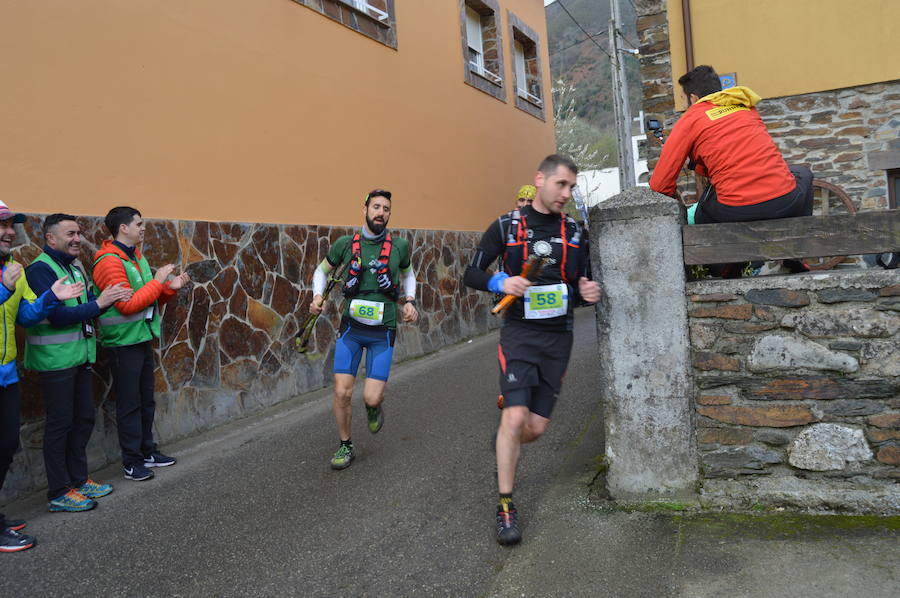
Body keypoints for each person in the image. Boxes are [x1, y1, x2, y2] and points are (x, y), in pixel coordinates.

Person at [463, 155, 601, 546]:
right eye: (561, 185)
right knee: (514, 416)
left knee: (534, 429)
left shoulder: (575, 231)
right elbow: (471, 272)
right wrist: (500, 283)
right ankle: (506, 506)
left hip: (559, 338)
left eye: (572, 187)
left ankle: (507, 444)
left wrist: (588, 293)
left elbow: (581, 283)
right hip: (520, 335)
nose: (567, 193)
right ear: (540, 180)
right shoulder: (507, 226)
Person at [649, 66, 813, 275]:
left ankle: (727, 269)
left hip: (737, 209)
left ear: (693, 98)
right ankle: (797, 253)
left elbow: (659, 185)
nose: (684, 105)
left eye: (683, 99)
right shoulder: (745, 106)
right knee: (804, 174)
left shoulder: (691, 118)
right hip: (785, 200)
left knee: (701, 212)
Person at [24, 214, 133, 513]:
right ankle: (59, 492)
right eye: (70, 233)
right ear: (51, 239)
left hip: (79, 357)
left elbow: (84, 308)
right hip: (55, 361)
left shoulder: (72, 267)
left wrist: (103, 300)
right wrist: (100, 303)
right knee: (60, 424)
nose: (77, 239)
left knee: (83, 418)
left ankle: (78, 480)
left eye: (78, 233)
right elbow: (57, 316)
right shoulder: (39, 271)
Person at [308, 189, 418, 470]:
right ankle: (345, 445)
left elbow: (408, 273)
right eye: (376, 207)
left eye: (386, 209)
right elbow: (321, 271)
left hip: (383, 330)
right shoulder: (345, 244)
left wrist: (410, 301)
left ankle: (373, 406)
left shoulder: (400, 246)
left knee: (371, 395)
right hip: (352, 330)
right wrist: (317, 296)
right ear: (365, 209)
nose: (381, 213)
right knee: (342, 392)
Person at [0, 201, 87, 553]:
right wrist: (4, 290)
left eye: (11, 226)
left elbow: (28, 316)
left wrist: (51, 297)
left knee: (6, 446)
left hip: (7, 375)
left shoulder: (12, 270)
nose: (9, 232)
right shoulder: (9, 277)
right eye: (2, 226)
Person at [91, 207, 190, 482]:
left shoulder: (136, 258)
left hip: (140, 338)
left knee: (145, 400)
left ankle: (147, 452)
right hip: (123, 343)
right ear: (123, 228)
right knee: (130, 403)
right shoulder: (109, 262)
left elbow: (149, 298)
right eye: (139, 223)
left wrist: (170, 288)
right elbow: (127, 305)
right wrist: (159, 282)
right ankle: (132, 461)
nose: (143, 228)